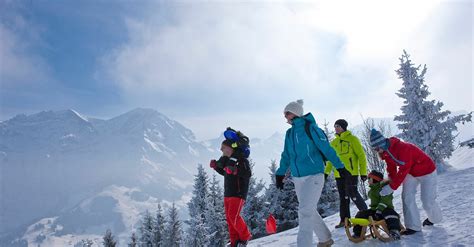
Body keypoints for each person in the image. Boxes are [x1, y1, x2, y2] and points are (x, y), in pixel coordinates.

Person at [275, 99, 350, 247]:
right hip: (298, 178)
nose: (285, 116)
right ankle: (325, 238)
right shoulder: (289, 133)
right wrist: (280, 173)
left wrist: (340, 167)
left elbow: (327, 149)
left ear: (295, 112)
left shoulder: (311, 128)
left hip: (314, 174)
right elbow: (286, 155)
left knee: (304, 211)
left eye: (287, 113)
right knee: (307, 209)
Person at [370, 129, 443, 235]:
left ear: (381, 144)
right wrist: (390, 182)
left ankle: (434, 219)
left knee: (427, 201)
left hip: (427, 172)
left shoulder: (403, 148)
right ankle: (413, 227)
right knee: (407, 197)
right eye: (374, 149)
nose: (376, 151)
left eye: (376, 148)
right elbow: (391, 169)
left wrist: (392, 187)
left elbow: (404, 169)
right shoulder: (386, 153)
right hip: (411, 173)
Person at [210, 128, 252, 247]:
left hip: (238, 193)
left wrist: (235, 170)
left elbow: (247, 174)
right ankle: (234, 242)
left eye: (223, 147)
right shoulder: (228, 161)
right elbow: (226, 173)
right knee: (229, 218)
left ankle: (244, 238)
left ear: (230, 147)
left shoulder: (241, 160)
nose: (221, 150)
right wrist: (216, 167)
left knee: (234, 216)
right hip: (228, 193)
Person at [324, 119, 368, 228]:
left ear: (344, 127)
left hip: (351, 173)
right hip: (339, 174)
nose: (336, 128)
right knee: (343, 197)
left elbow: (361, 156)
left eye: (338, 126)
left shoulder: (352, 139)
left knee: (353, 194)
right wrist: (326, 172)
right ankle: (344, 220)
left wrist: (363, 172)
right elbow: (331, 160)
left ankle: (367, 214)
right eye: (335, 126)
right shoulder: (334, 143)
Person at [352, 170, 401, 240]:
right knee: (361, 214)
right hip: (374, 211)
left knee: (391, 214)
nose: (368, 180)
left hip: (385, 209)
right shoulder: (372, 190)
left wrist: (379, 210)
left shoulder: (384, 188)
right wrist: (376, 211)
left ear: (375, 179)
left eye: (369, 178)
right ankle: (357, 233)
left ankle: (394, 230)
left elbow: (385, 200)